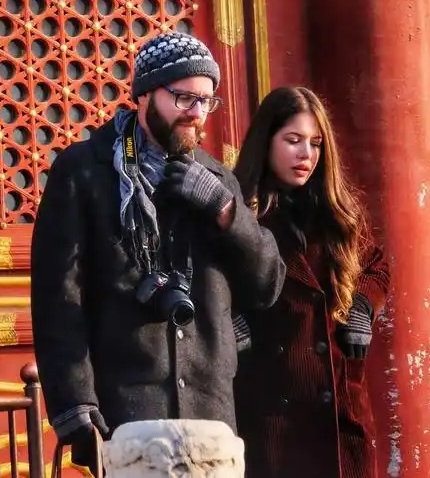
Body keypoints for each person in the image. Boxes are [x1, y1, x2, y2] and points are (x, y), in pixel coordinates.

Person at [30, 32, 286, 469]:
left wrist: (227, 213)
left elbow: (267, 285)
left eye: (207, 101)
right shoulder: (84, 173)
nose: (197, 113)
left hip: (209, 413)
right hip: (122, 409)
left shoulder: (216, 179)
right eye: (184, 98)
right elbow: (59, 300)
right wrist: (75, 403)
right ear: (146, 93)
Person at [232, 86, 390, 477]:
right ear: (266, 141)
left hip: (339, 412)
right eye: (293, 140)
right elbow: (202, 276)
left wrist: (363, 307)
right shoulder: (238, 214)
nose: (306, 154)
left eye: (316, 143)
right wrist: (228, 320)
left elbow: (378, 265)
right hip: (271, 414)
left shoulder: (336, 214)